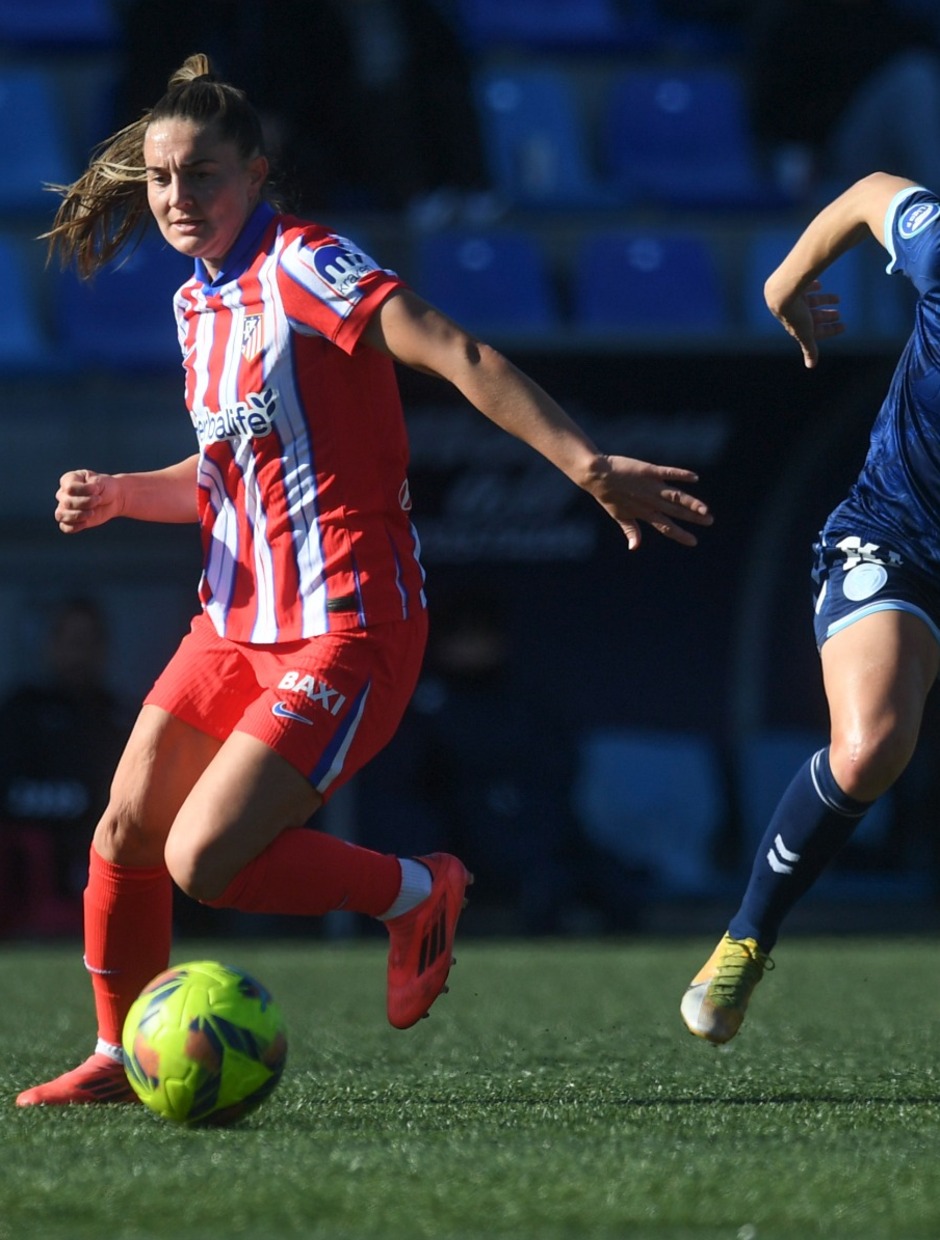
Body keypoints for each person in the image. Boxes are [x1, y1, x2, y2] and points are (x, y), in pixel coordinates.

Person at [16, 54, 712, 1107]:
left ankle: (414, 889)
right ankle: (120, 1055)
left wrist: (586, 463)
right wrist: (123, 493)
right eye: (161, 179)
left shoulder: (308, 265)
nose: (176, 198)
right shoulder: (196, 307)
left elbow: (458, 351)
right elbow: (226, 477)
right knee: (124, 831)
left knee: (204, 859)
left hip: (346, 626)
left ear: (257, 173)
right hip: (233, 625)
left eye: (201, 175)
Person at [681, 169, 940, 1044]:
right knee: (869, 747)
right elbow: (873, 193)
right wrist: (785, 280)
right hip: (897, 537)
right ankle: (747, 935)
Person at [0, 598, 130, 936]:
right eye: (71, 642)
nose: (79, 655)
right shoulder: (22, 712)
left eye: (89, 643)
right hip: (32, 859)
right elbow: (8, 791)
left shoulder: (118, 717)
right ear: (51, 645)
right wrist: (81, 801)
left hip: (104, 848)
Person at [746, 0, 940, 203]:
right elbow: (775, 107)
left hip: (892, 151)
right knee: (914, 80)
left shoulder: (889, 19)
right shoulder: (796, 21)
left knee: (917, 77)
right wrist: (798, 151)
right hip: (832, 154)